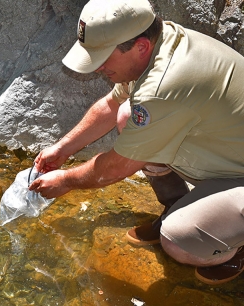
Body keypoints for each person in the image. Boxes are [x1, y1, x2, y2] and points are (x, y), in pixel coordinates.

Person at [28, 0, 244, 285]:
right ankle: (177, 204)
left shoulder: (165, 85)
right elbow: (111, 105)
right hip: (232, 156)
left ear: (140, 46)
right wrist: (62, 149)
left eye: (103, 57)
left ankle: (234, 243)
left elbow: (117, 166)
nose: (97, 68)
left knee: (178, 242)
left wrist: (67, 181)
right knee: (128, 115)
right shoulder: (160, 42)